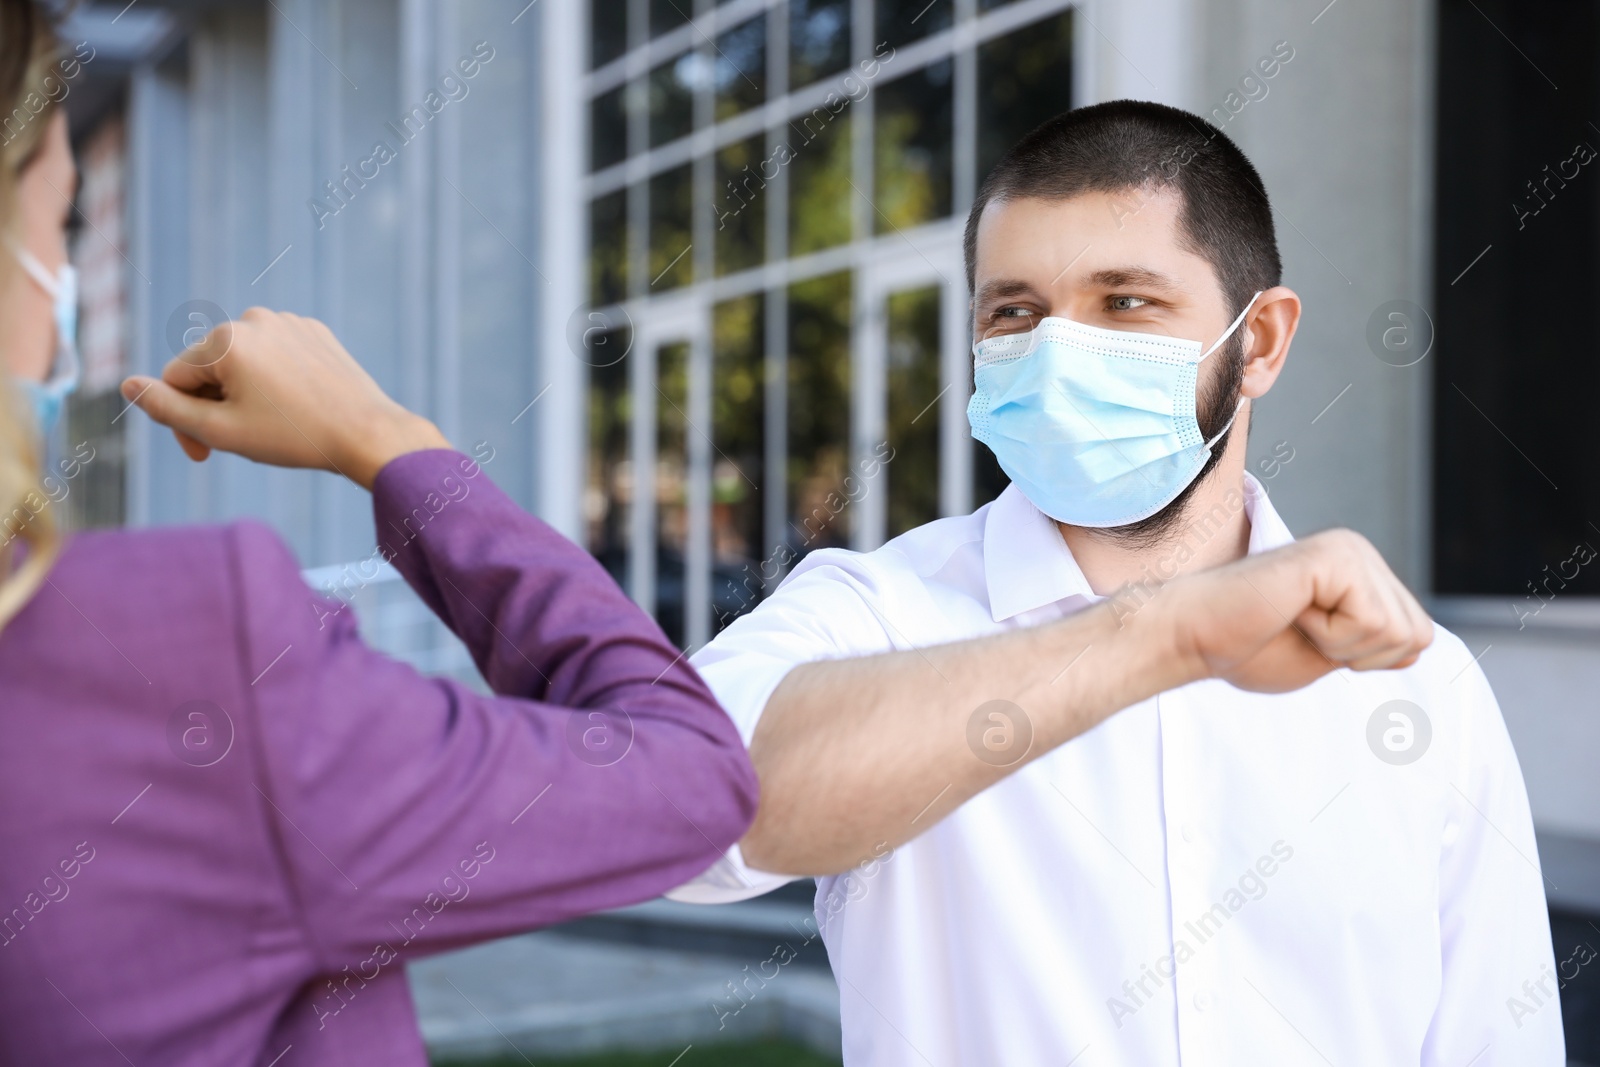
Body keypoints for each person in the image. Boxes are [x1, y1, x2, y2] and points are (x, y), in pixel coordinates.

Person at [670, 101, 1563, 1065]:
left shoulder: (1422, 688)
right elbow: (682, 808)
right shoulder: (876, 615)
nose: (1056, 354)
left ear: (1259, 342)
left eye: (1125, 302)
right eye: (1014, 312)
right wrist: (1162, 635)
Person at [0, 5, 758, 1064]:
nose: (69, 282)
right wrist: (389, 441)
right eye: (65, 225)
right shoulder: (183, 654)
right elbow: (692, 774)